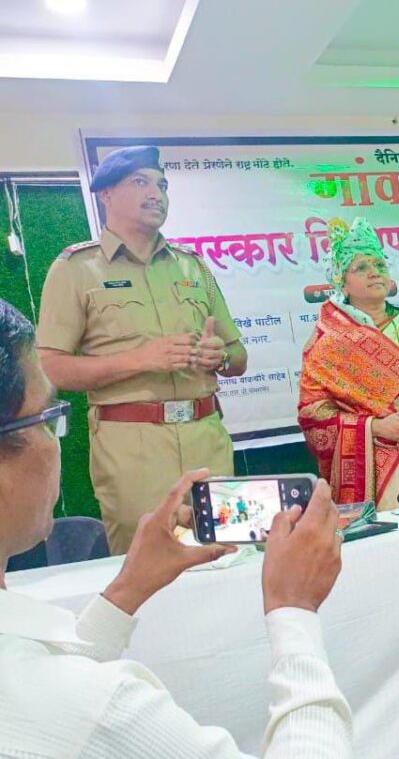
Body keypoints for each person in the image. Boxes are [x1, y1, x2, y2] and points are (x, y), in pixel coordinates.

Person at [0, 298, 352, 757]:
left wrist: (127, 590)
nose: (55, 443)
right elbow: (77, 713)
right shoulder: (92, 708)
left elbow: (236, 355)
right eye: (49, 417)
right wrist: (294, 610)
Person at [35, 145, 247, 555]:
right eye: (140, 182)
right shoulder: (76, 268)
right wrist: (139, 360)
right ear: (106, 194)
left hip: (207, 438)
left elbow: (238, 357)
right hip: (132, 449)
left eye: (162, 185)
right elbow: (51, 368)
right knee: (147, 562)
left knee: (225, 554)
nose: (156, 194)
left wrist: (219, 356)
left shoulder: (192, 265)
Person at [298, 218, 399, 510]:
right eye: (361, 267)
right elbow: (314, 415)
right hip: (372, 470)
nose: (374, 272)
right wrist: (376, 427)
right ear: (341, 282)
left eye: (379, 265)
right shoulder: (329, 342)